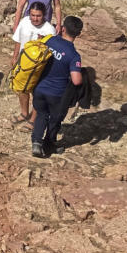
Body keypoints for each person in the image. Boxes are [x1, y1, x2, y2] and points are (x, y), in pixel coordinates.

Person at [31, 15, 83, 158]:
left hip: (39, 88)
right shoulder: (74, 55)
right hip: (57, 94)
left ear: (63, 29)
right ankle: (49, 145)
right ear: (78, 34)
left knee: (41, 114)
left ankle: (36, 142)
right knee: (55, 119)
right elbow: (76, 80)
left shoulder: (49, 40)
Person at [10, 1, 55, 129]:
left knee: (37, 92)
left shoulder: (49, 29)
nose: (35, 18)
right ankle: (24, 113)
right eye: (33, 15)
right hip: (23, 63)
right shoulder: (24, 22)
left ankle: (33, 119)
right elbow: (18, 40)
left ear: (44, 15)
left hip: (39, 67)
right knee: (21, 89)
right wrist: (14, 57)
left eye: (38, 16)